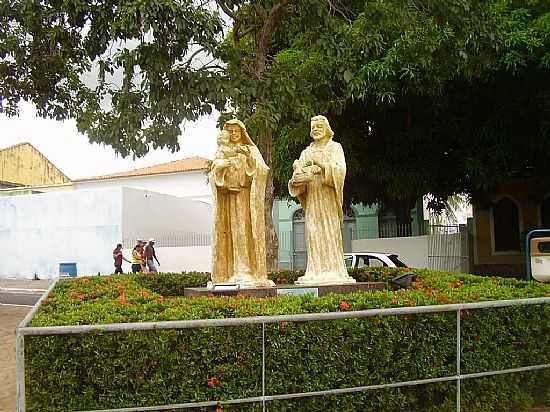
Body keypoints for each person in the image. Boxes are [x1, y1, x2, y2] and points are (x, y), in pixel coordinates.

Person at [288, 115, 356, 285]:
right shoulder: (306, 152)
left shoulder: (335, 148)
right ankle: (315, 270)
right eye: (313, 127)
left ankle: (333, 270)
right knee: (312, 233)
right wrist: (298, 178)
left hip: (328, 200)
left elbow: (340, 171)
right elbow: (298, 178)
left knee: (330, 231)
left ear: (327, 129)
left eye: (319, 126)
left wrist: (321, 164)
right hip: (312, 200)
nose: (315, 129)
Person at [209, 119, 274, 287]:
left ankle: (248, 270)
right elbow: (214, 170)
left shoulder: (250, 149)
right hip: (230, 198)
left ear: (242, 132)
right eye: (230, 131)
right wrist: (223, 166)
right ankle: (234, 270)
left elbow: (262, 170)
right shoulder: (222, 151)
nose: (234, 134)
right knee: (233, 232)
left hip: (247, 198)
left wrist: (248, 157)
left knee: (246, 231)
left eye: (236, 131)